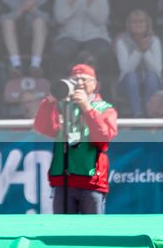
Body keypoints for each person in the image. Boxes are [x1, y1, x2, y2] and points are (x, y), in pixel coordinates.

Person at [33, 62, 119, 212]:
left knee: (93, 232)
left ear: (95, 85)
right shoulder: (60, 106)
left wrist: (86, 108)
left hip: (91, 181)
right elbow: (43, 128)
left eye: (84, 79)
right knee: (64, 232)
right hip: (64, 180)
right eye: (75, 79)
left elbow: (103, 139)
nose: (79, 83)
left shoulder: (106, 109)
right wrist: (50, 100)